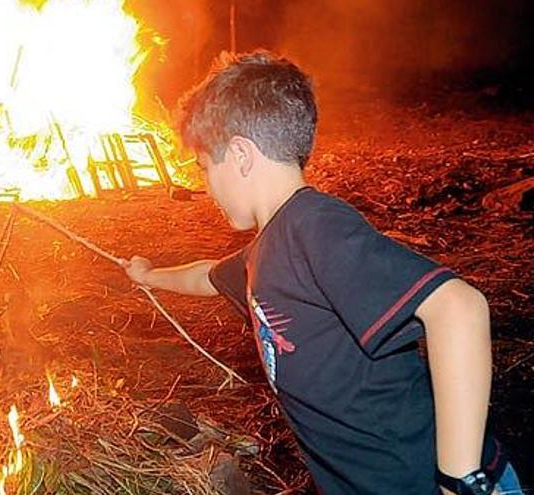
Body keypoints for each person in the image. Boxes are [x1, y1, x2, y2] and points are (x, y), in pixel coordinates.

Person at [123, 51, 521, 495]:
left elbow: (459, 309)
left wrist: (459, 481)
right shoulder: (266, 251)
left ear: (239, 155)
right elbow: (206, 277)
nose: (204, 184)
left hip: (420, 480)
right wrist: (150, 275)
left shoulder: (313, 226)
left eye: (203, 168)